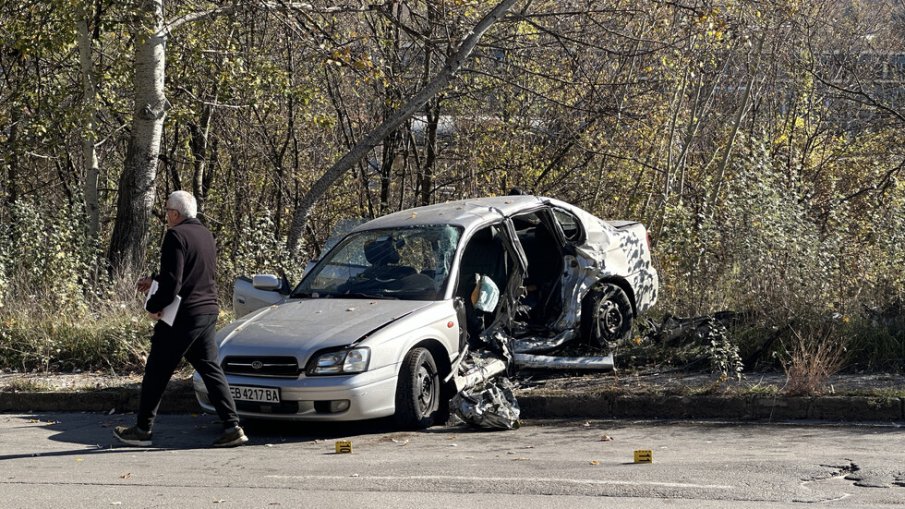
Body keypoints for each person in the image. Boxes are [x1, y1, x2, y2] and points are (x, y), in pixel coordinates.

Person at [114, 191, 248, 448]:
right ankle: (232, 426)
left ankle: (143, 430)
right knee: (210, 368)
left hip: (183, 316)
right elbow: (190, 272)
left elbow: (174, 282)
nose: (165, 216)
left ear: (175, 214)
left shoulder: (175, 235)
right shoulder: (206, 234)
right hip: (207, 310)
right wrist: (155, 279)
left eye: (166, 212)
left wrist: (152, 305)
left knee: (156, 370)